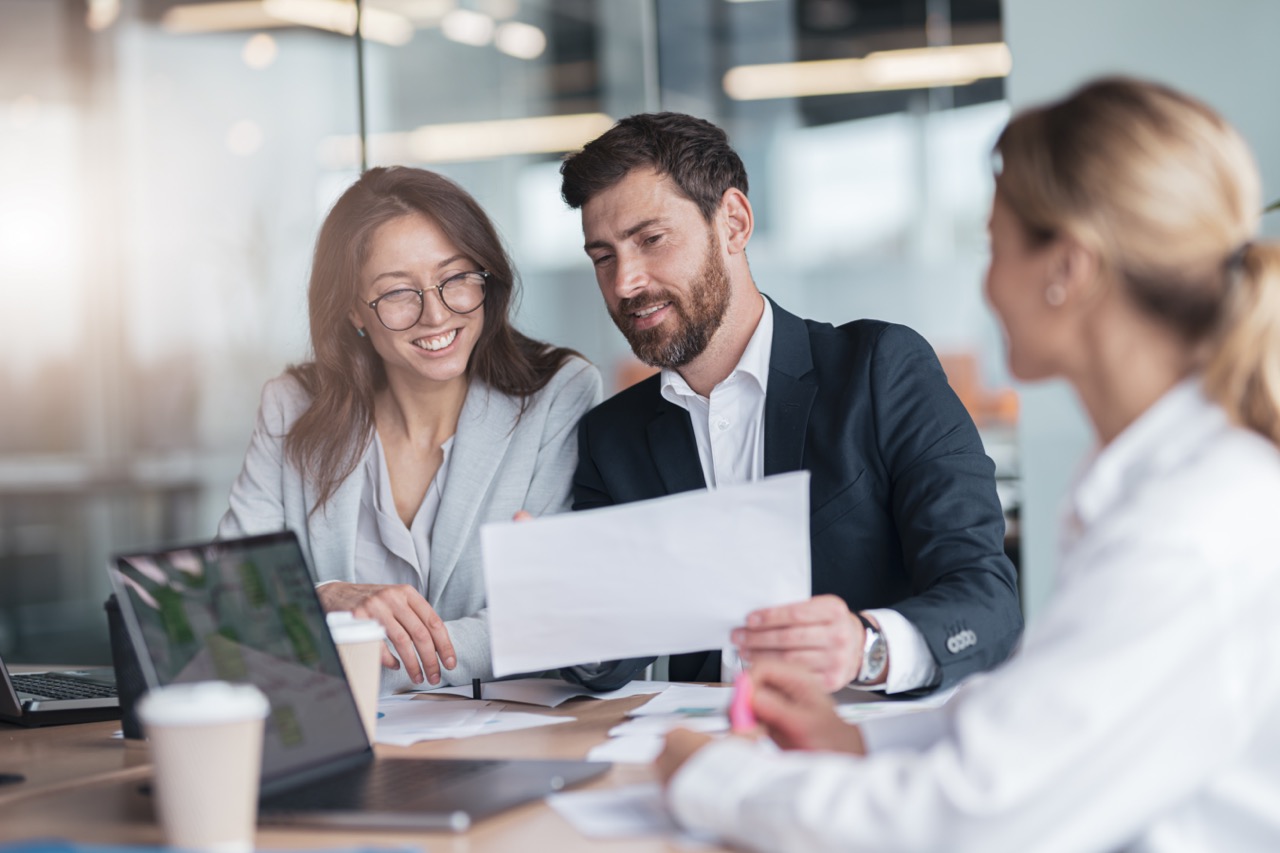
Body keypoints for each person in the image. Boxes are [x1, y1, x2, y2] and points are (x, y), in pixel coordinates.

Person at [658, 77, 1280, 852]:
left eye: (996, 245)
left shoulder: (1192, 528)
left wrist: (709, 778)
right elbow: (1036, 715)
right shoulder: (1162, 480)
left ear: (1069, 269)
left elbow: (971, 818)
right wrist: (859, 743)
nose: (985, 285)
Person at [559, 112, 1022, 695]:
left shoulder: (879, 370)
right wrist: (563, 601)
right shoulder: (613, 437)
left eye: (651, 240)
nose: (625, 281)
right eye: (603, 257)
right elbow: (608, 662)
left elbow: (987, 601)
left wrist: (866, 647)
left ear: (733, 223)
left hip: (867, 745)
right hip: (702, 753)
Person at [219, 167, 602, 693]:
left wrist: (346, 648)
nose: (436, 314)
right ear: (355, 309)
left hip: (505, 739)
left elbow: (547, 615)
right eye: (399, 292)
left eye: (456, 278)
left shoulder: (557, 394)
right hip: (341, 738)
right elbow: (229, 598)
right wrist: (324, 597)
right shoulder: (293, 407)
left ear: (486, 278)